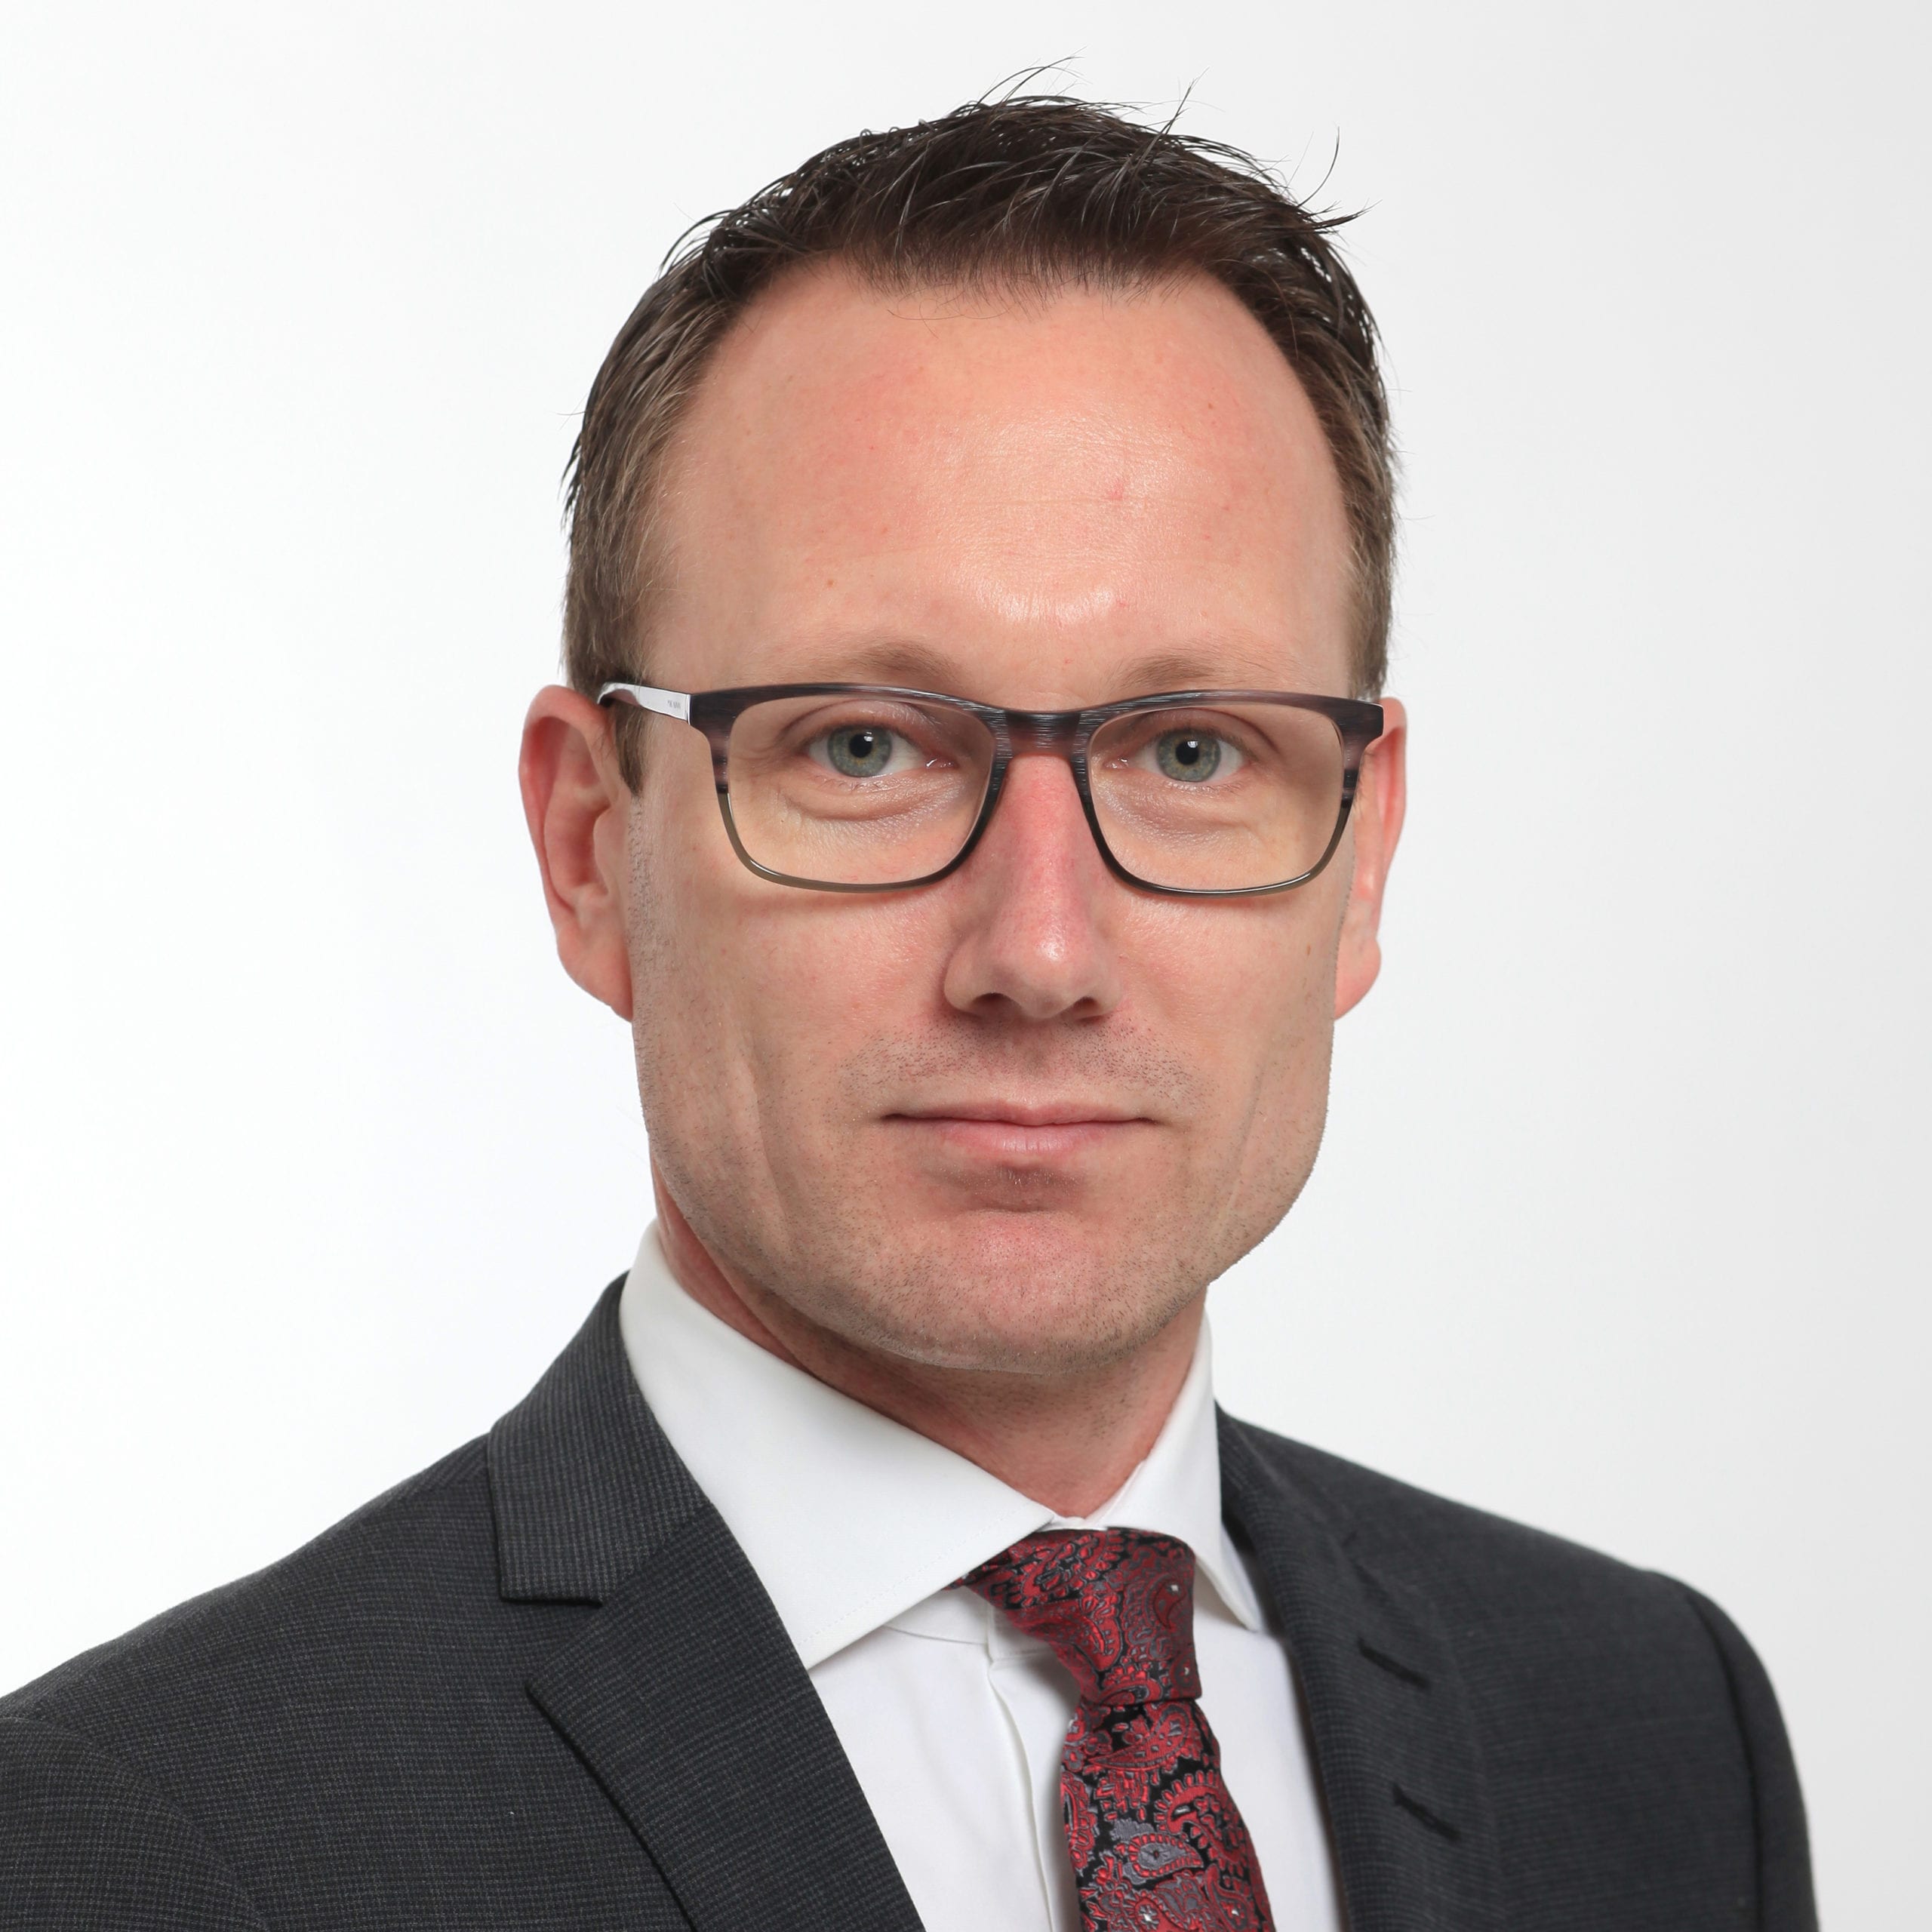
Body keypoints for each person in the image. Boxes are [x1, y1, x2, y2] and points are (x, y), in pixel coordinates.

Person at [0, 94, 1814, 1932]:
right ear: (585, 845)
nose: (1037, 950)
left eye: (1192, 749)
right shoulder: (134, 1847)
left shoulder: (1650, 1730)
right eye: (861, 745)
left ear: (1358, 860)